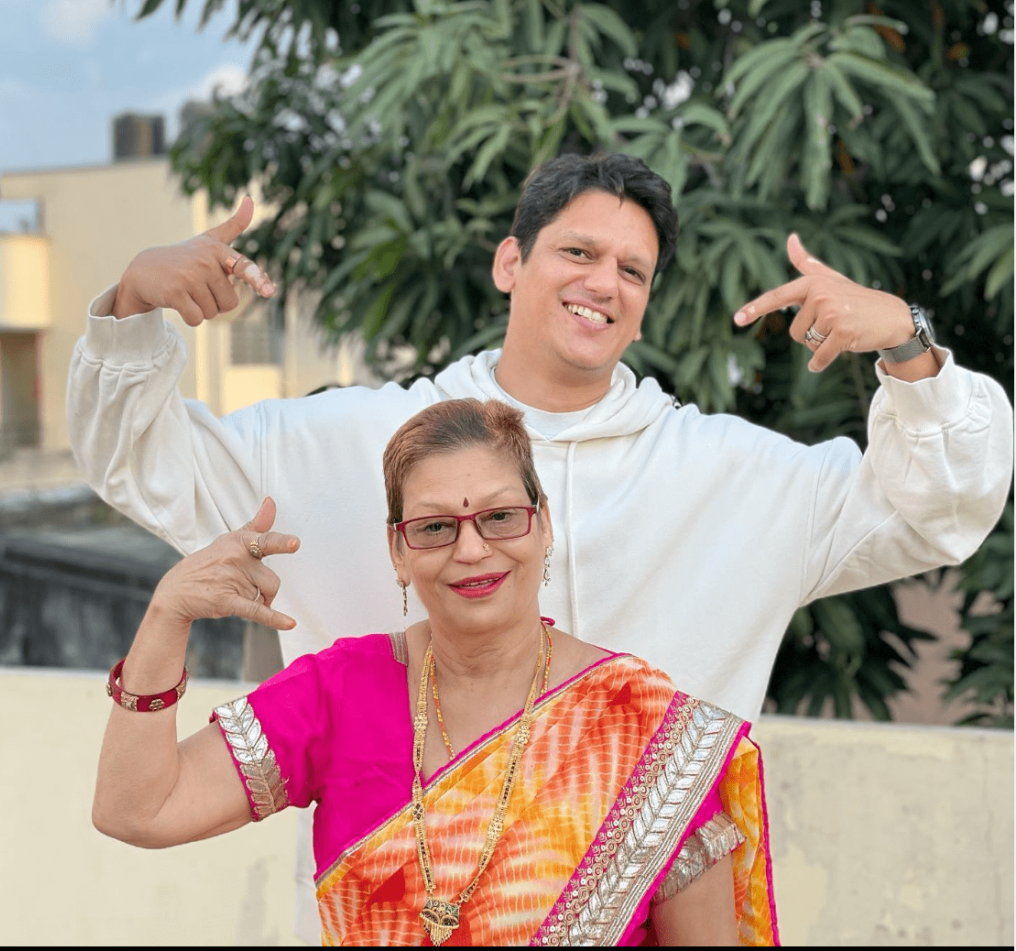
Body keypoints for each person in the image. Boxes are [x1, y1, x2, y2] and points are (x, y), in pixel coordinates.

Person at [68, 152, 1013, 941]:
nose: (604, 282)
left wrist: (911, 346)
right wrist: (129, 302)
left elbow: (940, 508)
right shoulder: (347, 444)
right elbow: (140, 463)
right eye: (578, 250)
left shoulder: (739, 475)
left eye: (633, 270)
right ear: (509, 262)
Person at [92, 399, 779, 946]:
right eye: (435, 527)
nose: (473, 549)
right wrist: (166, 616)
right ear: (398, 549)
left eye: (501, 517)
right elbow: (137, 810)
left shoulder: (643, 729)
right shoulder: (338, 692)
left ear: (544, 528)